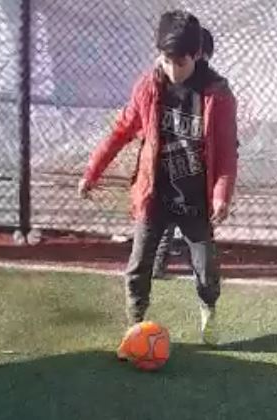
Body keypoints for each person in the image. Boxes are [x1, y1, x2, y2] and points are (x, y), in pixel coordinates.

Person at [78, 11, 238, 348]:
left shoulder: (218, 95)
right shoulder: (148, 87)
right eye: (167, 61)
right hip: (155, 195)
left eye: (181, 62)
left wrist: (221, 195)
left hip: (196, 201)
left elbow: (226, 152)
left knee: (206, 269)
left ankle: (208, 308)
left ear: (197, 54)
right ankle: (135, 326)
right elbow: (121, 131)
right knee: (139, 265)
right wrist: (92, 170)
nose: (173, 69)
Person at [152, 26, 216, 280]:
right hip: (169, 166)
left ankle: (200, 269)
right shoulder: (163, 83)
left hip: (195, 170)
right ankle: (157, 264)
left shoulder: (209, 88)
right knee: (164, 219)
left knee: (198, 223)